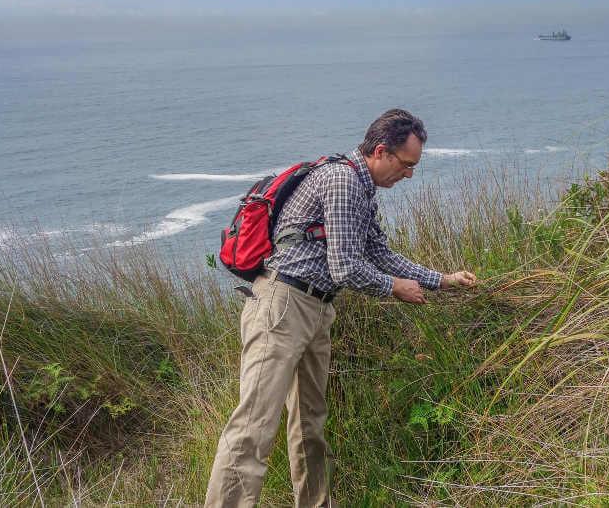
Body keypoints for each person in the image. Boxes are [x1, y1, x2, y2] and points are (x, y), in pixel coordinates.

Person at [205, 108, 478, 507]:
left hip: (316, 308)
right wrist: (394, 288)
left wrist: (441, 280)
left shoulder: (361, 188)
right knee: (253, 428)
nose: (408, 175)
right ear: (381, 151)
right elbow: (346, 266)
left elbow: (379, 253)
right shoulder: (342, 180)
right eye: (406, 165)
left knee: (310, 428)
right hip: (282, 305)